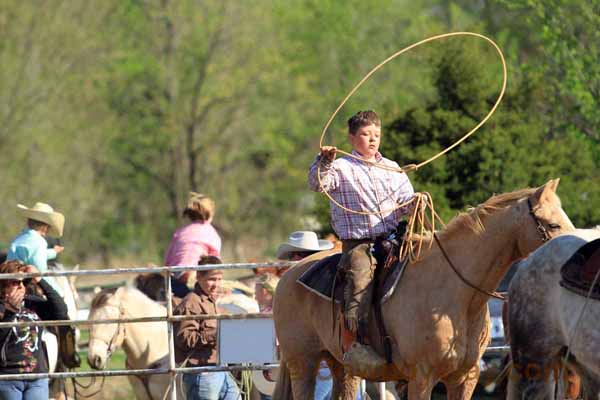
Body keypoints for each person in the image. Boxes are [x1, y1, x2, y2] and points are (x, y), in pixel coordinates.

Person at [308, 110, 417, 372]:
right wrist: (323, 161)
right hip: (359, 244)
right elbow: (317, 184)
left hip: (393, 238)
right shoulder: (341, 167)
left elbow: (406, 200)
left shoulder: (391, 167)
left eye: (376, 134)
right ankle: (355, 344)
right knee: (359, 278)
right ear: (352, 137)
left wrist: (415, 204)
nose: (372, 139)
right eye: (366, 134)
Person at [173, 257, 240, 400]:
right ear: (198, 277)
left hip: (221, 369)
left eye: (219, 279)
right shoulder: (191, 302)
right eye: (212, 279)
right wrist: (217, 333)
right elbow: (184, 339)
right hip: (202, 373)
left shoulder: (212, 301)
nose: (216, 284)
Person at [0, 260, 69, 399]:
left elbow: (60, 311)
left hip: (37, 377)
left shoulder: (32, 302)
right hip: (8, 379)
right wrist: (10, 312)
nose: (21, 286)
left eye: (24, 282)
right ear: (3, 287)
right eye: (15, 282)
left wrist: (40, 280)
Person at [165, 192, 222, 298]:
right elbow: (215, 263)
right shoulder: (211, 233)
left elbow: (168, 260)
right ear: (210, 214)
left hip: (174, 280)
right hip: (193, 279)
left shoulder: (180, 232)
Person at [7, 202, 65, 296]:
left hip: (10, 283)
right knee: (60, 299)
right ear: (45, 226)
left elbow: (35, 254)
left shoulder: (19, 238)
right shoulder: (39, 242)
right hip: (28, 285)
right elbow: (40, 270)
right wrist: (58, 292)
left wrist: (54, 251)